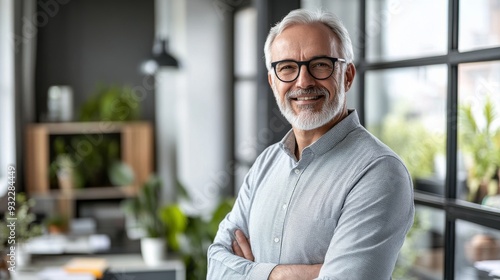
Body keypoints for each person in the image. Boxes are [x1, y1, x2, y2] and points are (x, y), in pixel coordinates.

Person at [207, 8, 414, 280]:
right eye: (287, 68)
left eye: (320, 64)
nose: (303, 82)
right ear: (272, 81)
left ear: (347, 76)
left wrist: (249, 272)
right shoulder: (267, 162)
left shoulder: (380, 172)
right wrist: (279, 275)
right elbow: (216, 266)